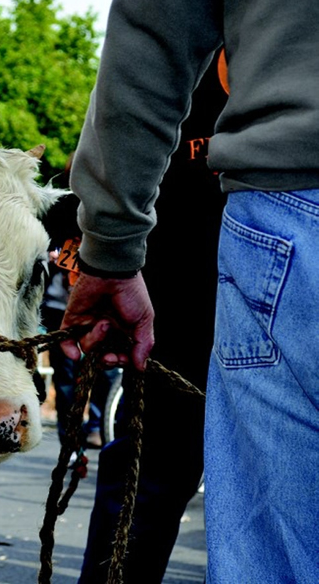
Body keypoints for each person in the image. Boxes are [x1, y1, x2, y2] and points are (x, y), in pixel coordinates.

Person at [62, 0, 319, 582]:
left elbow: (151, 33)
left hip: (265, 250)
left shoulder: (253, 57)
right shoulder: (224, 74)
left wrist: (108, 250)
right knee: (147, 473)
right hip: (186, 301)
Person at [77, 49, 227, 583]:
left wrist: (108, 259)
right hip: (176, 293)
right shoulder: (189, 48)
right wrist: (110, 259)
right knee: (148, 472)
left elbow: (125, 106)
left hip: (182, 281)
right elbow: (125, 111)